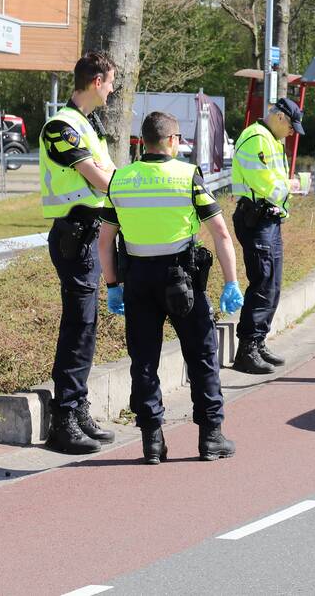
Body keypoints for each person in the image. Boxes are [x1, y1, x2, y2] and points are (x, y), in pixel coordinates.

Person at [98, 111, 244, 465]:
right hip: (183, 279)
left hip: (137, 281)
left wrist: (113, 285)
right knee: (201, 355)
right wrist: (231, 281)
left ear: (142, 142)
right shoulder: (187, 177)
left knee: (144, 360)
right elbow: (221, 233)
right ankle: (210, 436)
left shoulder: (120, 179)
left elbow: (105, 241)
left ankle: (152, 441)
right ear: (173, 141)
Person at [39, 51, 118, 455]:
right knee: (77, 326)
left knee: (86, 327)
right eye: (109, 82)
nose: (112, 89)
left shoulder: (89, 126)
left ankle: (77, 407)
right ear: (95, 80)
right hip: (73, 235)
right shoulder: (61, 126)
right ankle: (63, 420)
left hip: (88, 235)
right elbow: (102, 180)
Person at [230, 97, 309, 374]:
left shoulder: (271, 139)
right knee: (262, 283)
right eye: (291, 127)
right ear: (279, 118)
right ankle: (247, 350)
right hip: (256, 218)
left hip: (269, 219)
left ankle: (259, 341)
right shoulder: (256, 138)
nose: (291, 133)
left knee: (272, 284)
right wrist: (295, 185)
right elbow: (265, 184)